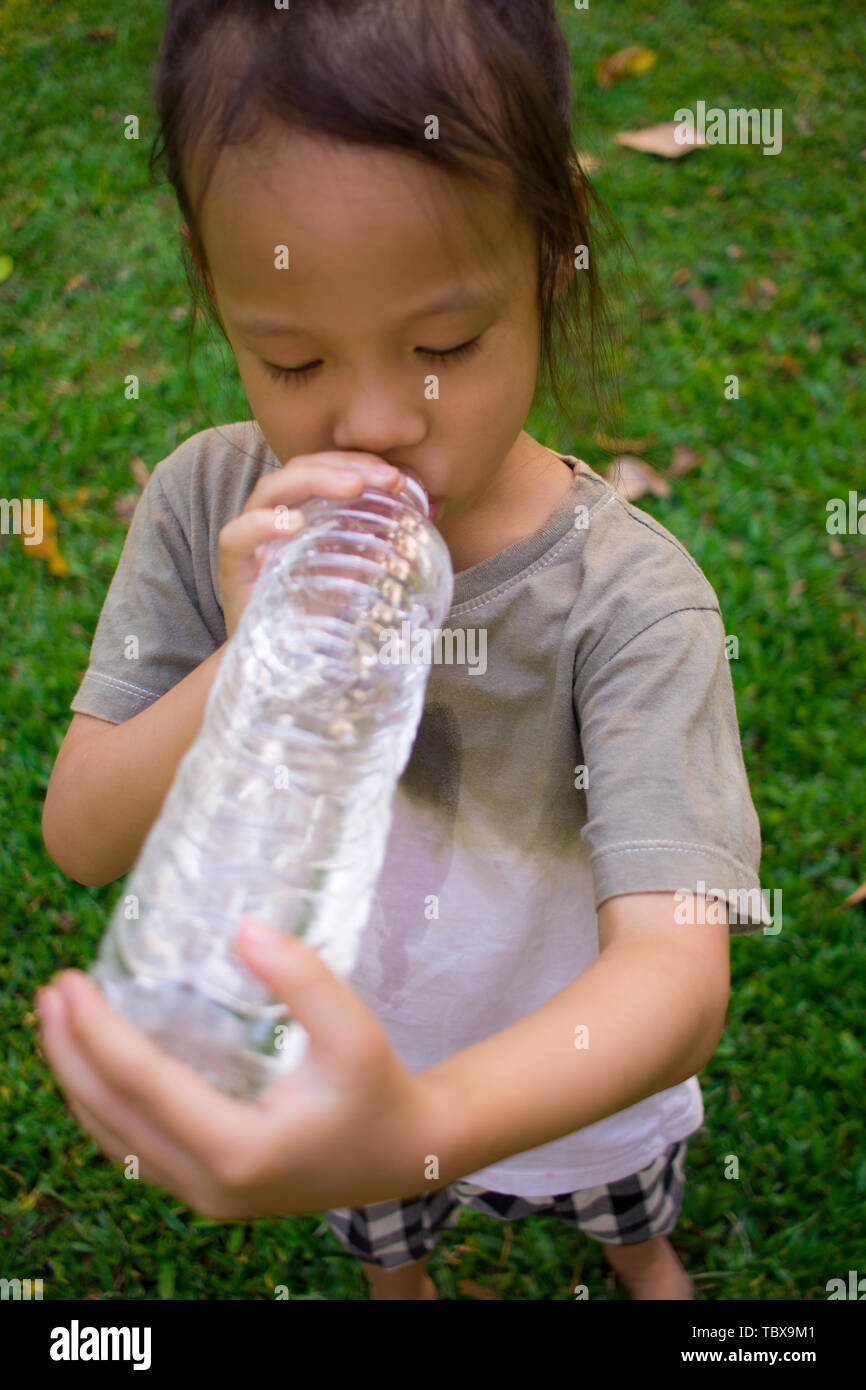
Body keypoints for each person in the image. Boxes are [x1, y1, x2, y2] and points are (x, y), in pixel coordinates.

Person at [39, 0, 770, 1301]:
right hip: (348, 1059)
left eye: (444, 347)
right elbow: (83, 836)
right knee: (386, 1226)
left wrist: (423, 1117)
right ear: (216, 298)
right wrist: (251, 653)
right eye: (290, 355)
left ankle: (641, 1258)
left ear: (553, 259)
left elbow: (672, 979)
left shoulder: (633, 600)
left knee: (618, 1196)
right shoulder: (211, 507)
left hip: (566, 1057)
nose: (374, 419)